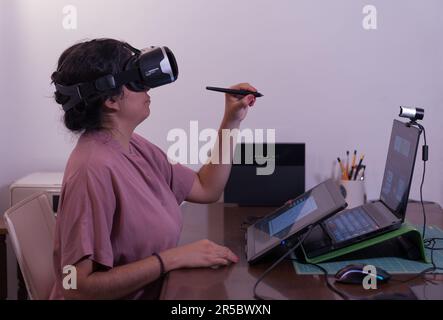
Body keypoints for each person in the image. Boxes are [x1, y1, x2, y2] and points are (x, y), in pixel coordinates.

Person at [49, 38, 258, 299]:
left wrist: (231, 120)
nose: (148, 89)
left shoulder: (134, 146)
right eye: (137, 80)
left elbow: (207, 188)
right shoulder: (91, 170)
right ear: (111, 99)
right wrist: (170, 259)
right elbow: (74, 287)